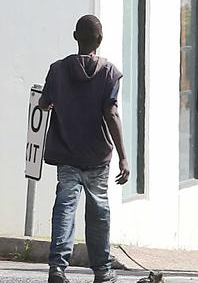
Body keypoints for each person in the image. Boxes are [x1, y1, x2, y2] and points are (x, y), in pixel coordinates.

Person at [40, 15, 129, 283]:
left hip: (67, 153)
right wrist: (124, 157)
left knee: (65, 206)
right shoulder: (109, 72)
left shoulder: (57, 70)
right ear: (99, 41)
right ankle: (102, 270)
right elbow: (110, 113)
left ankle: (57, 267)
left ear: (75, 37)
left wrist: (56, 103)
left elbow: (44, 103)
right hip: (97, 155)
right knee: (99, 209)